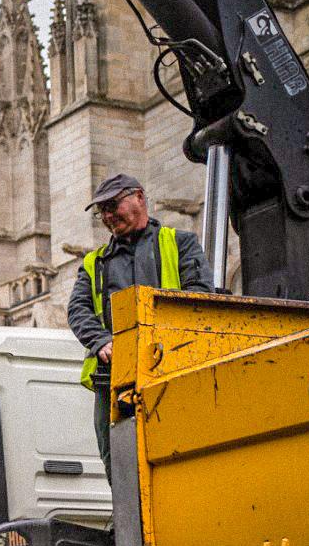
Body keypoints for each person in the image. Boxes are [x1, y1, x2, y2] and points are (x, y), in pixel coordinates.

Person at [67, 174, 213, 473]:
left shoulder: (179, 243)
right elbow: (77, 309)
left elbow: (199, 295)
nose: (107, 216)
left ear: (139, 197)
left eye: (112, 206)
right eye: (102, 210)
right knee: (120, 467)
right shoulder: (95, 262)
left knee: (177, 459)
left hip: (171, 370)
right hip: (114, 380)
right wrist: (100, 341)